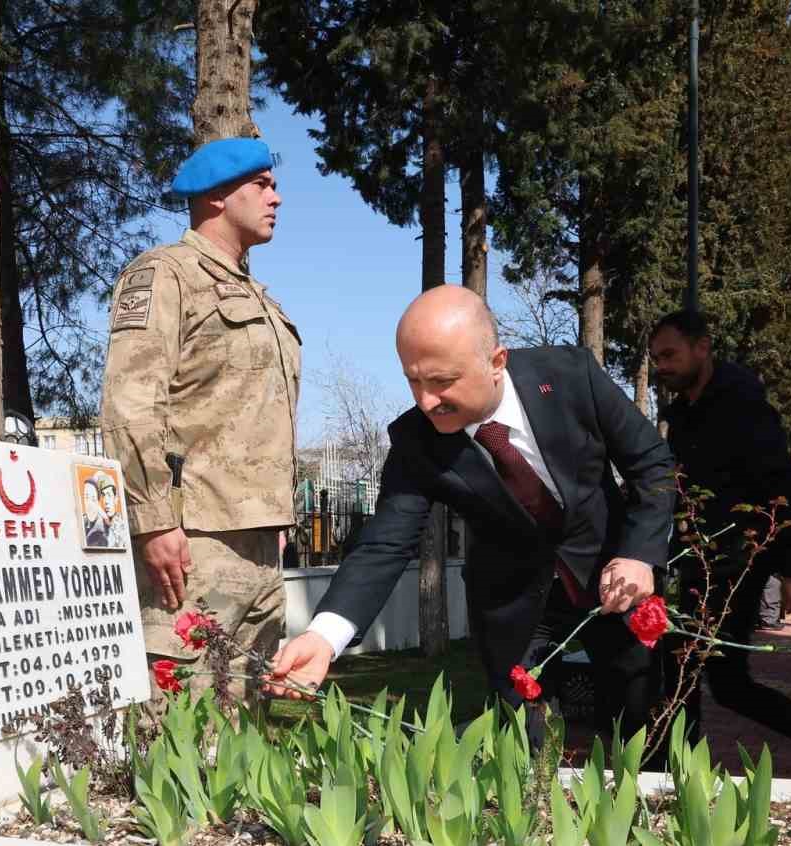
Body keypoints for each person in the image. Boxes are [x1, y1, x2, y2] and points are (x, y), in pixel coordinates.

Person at [269, 285, 675, 737]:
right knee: (526, 745)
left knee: (640, 730)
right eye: (413, 381)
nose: (426, 401)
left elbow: (652, 464)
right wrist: (324, 637)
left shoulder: (570, 375)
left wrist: (640, 553)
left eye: (442, 381)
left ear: (496, 362)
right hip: (514, 606)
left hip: (613, 580)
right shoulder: (416, 442)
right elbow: (384, 544)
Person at [100, 137, 301, 712]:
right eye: (262, 185)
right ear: (216, 196)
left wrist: (274, 516)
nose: (277, 198)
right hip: (194, 544)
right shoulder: (165, 276)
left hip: (259, 543)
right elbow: (131, 406)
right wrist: (153, 520)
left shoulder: (259, 297)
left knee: (245, 732)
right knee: (180, 729)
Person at [650, 309, 791, 754]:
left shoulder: (742, 406)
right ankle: (672, 770)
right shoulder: (683, 414)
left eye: (670, 355)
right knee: (689, 675)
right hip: (696, 562)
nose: (662, 367)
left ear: (703, 347)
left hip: (735, 563)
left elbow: (786, 485)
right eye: (656, 359)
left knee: (712, 679)